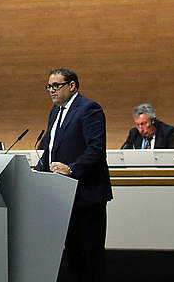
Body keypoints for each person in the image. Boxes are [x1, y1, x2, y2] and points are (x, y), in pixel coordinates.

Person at [35, 68, 111, 282]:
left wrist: (72, 169)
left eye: (56, 86)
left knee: (89, 260)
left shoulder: (89, 109)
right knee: (73, 259)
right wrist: (38, 170)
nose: (51, 90)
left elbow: (96, 149)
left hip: (86, 197)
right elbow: (50, 149)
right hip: (61, 197)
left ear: (72, 86)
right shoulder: (55, 111)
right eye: (49, 86)